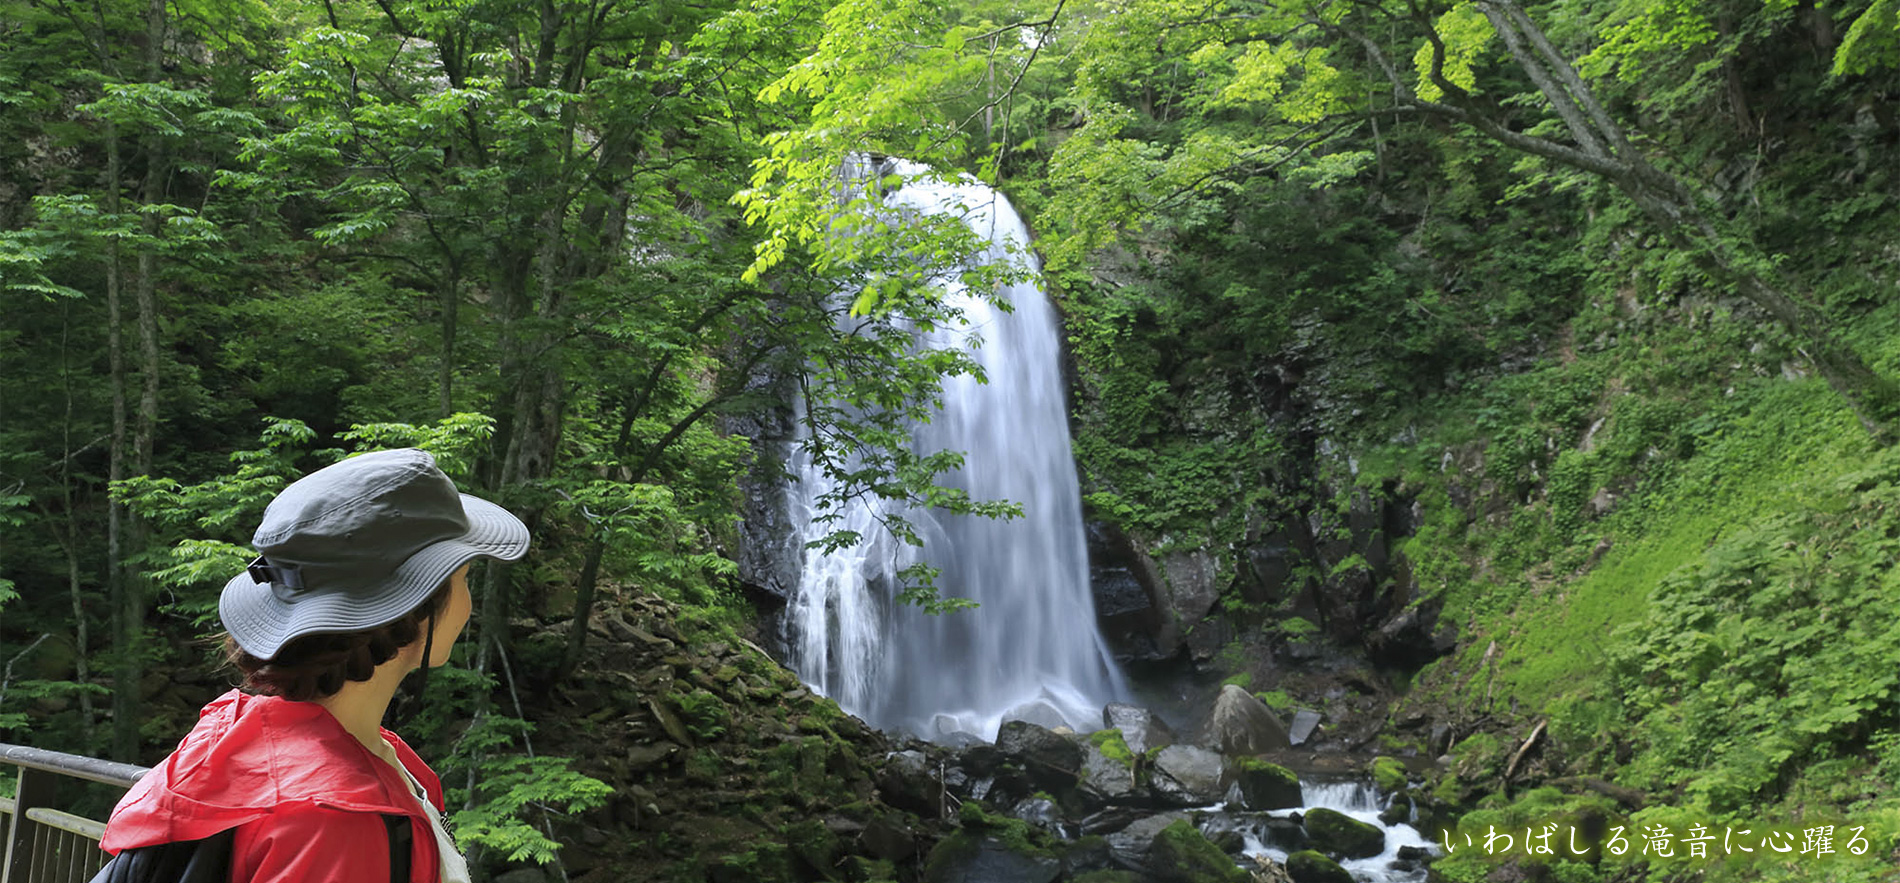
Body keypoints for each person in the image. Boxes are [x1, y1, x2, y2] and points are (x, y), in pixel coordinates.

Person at [99, 448, 529, 883]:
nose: (468, 605)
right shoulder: (334, 818)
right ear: (419, 605)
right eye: (463, 578)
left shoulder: (244, 739)